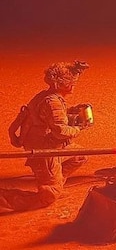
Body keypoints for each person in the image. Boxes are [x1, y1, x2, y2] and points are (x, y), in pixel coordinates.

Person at [1, 61, 92, 212]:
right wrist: (78, 128)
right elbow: (60, 132)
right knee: (48, 198)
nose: (73, 85)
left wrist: (72, 110)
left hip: (48, 145)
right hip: (44, 151)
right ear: (62, 85)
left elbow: (48, 118)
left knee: (79, 156)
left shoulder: (47, 96)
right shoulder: (53, 102)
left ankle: (55, 183)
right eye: (71, 82)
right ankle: (7, 200)